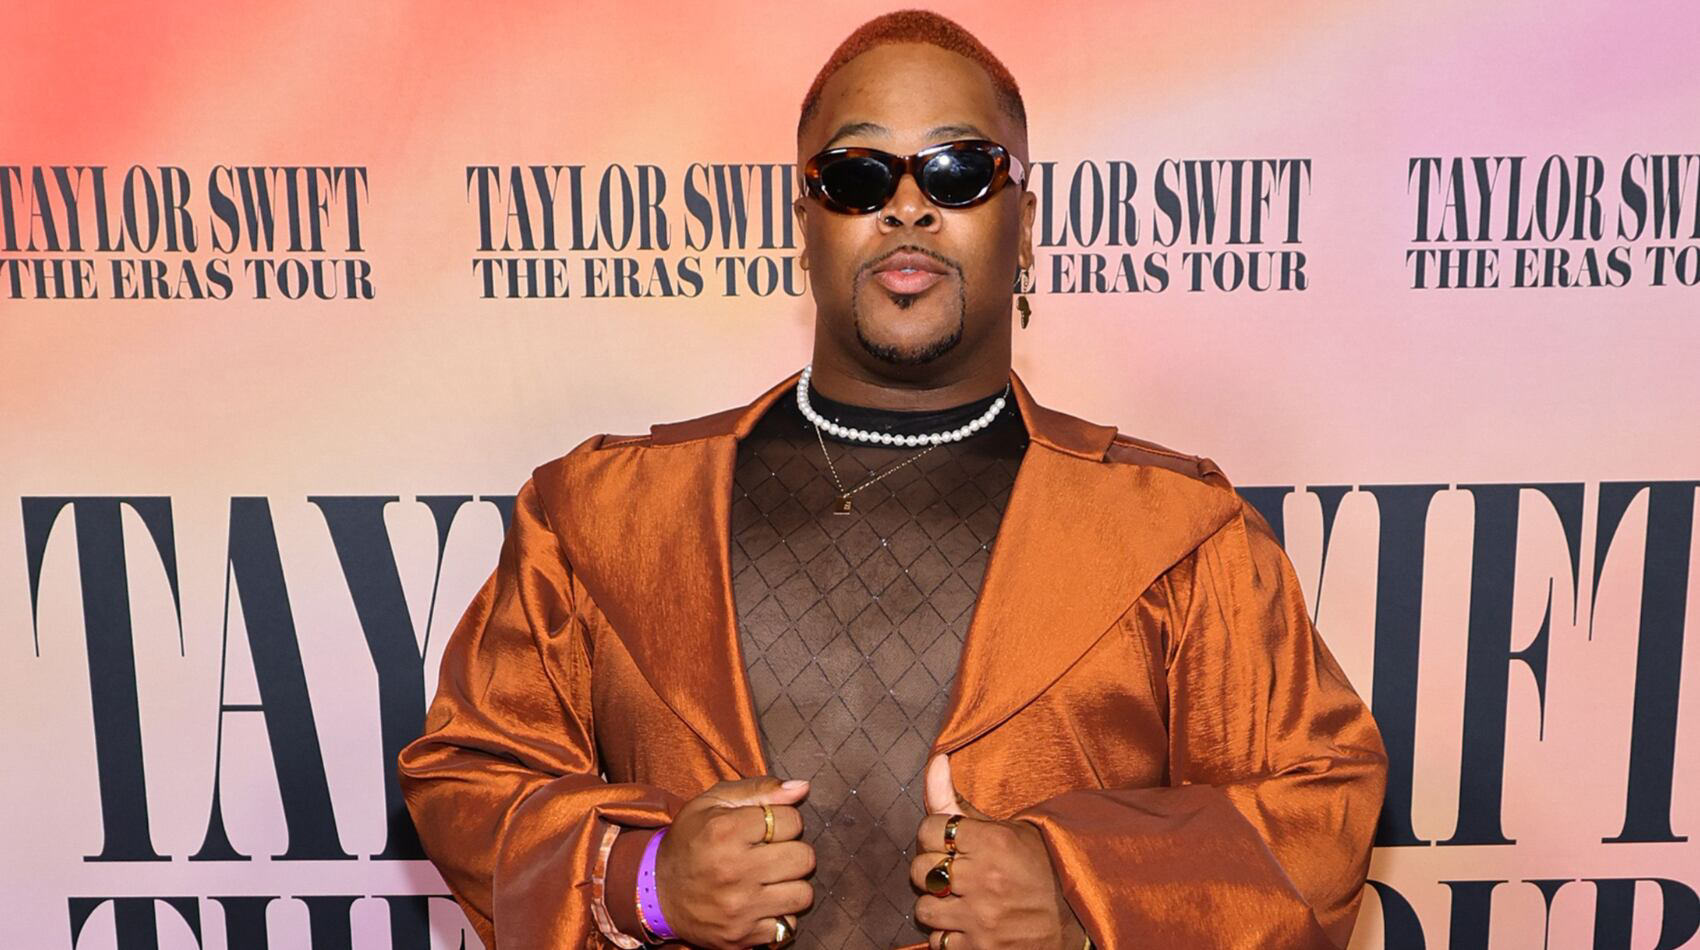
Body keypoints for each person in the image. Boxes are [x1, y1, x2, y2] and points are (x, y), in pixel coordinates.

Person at [397, 9, 1387, 949]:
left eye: (959, 171)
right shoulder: (602, 516)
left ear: (1023, 222)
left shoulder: (1176, 531)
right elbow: (471, 774)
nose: (907, 207)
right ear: (804, 220)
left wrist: (1080, 892)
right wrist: (643, 877)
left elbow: (1318, 809)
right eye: (857, 175)